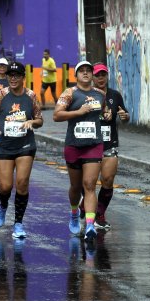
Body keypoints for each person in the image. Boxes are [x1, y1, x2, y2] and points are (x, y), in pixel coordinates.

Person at [0, 61, 43, 238]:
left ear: (23, 78)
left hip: (25, 145)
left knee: (22, 184)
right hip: (4, 145)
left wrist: (31, 122)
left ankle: (18, 223)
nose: (13, 78)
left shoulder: (31, 96)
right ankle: (3, 205)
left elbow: (40, 119)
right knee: (5, 186)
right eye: (10, 75)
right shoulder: (0, 95)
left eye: (17, 75)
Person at [53, 61, 109, 241]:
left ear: (92, 75)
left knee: (90, 184)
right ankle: (74, 212)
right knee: (76, 187)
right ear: (76, 75)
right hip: (74, 145)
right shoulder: (69, 93)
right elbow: (57, 115)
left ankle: (90, 225)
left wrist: (107, 114)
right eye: (81, 71)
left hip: (94, 144)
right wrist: (78, 112)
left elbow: (104, 111)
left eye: (88, 71)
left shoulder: (100, 94)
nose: (85, 73)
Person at [90, 63, 129, 230]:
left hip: (109, 144)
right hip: (90, 144)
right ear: (92, 77)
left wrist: (124, 116)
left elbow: (124, 116)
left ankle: (100, 214)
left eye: (103, 75)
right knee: (89, 183)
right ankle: (86, 206)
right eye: (97, 75)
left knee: (107, 180)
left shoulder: (115, 95)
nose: (100, 78)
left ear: (107, 76)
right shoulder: (86, 95)